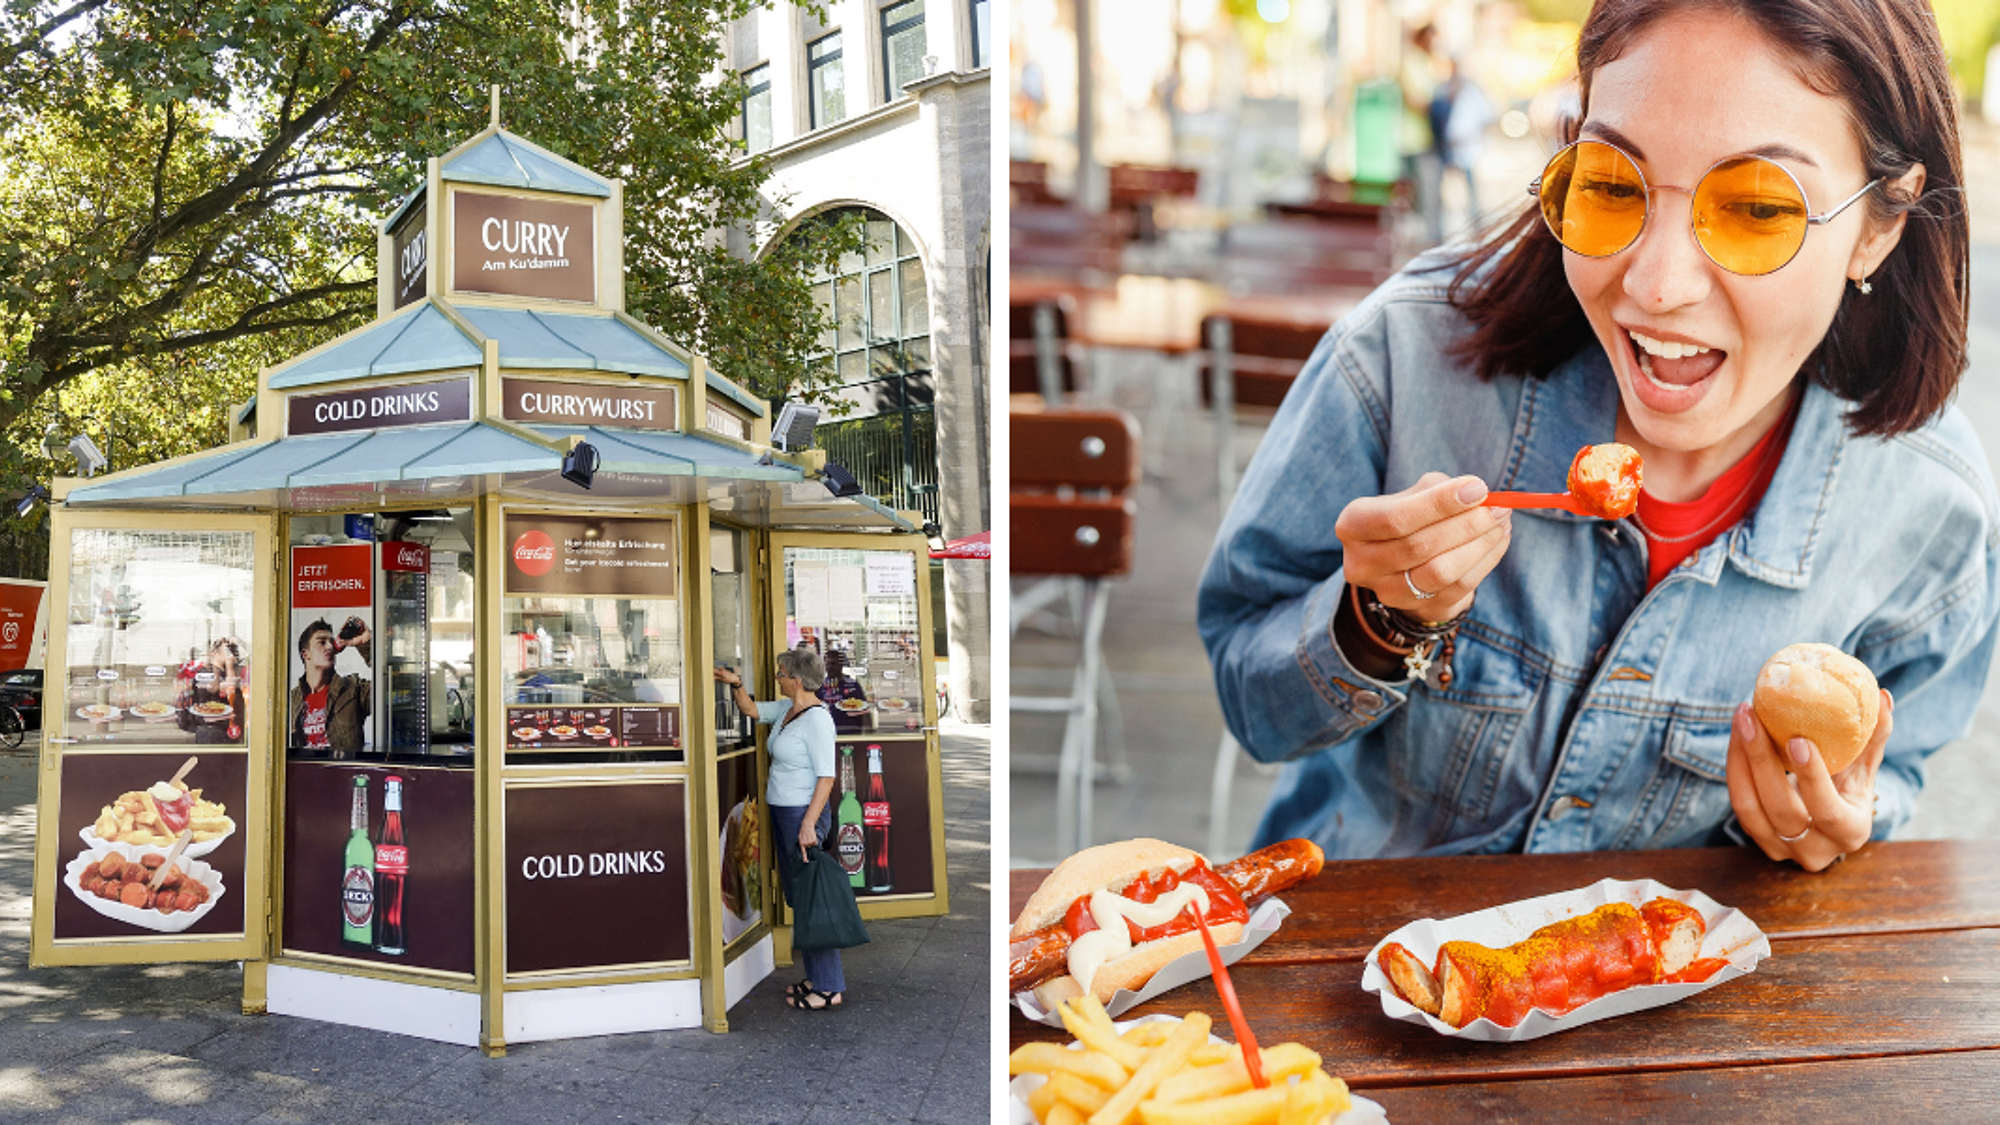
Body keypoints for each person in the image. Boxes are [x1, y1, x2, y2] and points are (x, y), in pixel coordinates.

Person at [1198, 0, 1991, 875]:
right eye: (1614, 184)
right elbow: (1251, 703)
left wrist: (1828, 826)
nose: (1653, 285)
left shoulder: (1930, 507)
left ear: (1881, 224)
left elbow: (1894, 774)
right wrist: (1374, 622)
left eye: (1758, 208)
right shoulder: (1404, 361)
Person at [715, 647, 846, 1010]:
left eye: (780, 673)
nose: (777, 677)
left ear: (797, 679)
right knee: (798, 896)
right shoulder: (788, 711)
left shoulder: (817, 719)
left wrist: (808, 826)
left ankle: (829, 986)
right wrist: (736, 684)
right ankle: (819, 977)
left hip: (803, 816)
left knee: (810, 900)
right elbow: (752, 710)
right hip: (785, 814)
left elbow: (826, 777)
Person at [291, 616, 373, 756]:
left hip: (341, 774)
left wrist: (367, 645)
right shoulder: (291, 700)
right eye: (321, 642)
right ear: (306, 654)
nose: (330, 646)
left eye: (330, 641)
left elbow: (392, 689)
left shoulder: (354, 689)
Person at [817, 646, 870, 733]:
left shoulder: (852, 685)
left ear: (840, 665)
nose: (830, 667)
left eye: (833, 664)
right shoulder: (820, 686)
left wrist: (868, 735)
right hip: (827, 732)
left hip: (849, 732)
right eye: (827, 664)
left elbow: (865, 711)